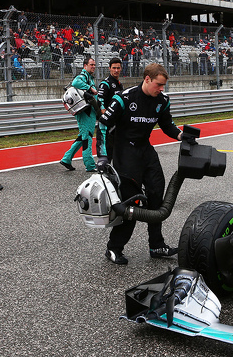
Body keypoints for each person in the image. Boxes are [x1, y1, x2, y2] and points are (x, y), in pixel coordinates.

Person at [98, 63, 183, 265]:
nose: (161, 89)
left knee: (157, 197)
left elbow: (167, 125)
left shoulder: (162, 101)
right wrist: (102, 157)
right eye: (159, 85)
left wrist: (181, 135)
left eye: (163, 85)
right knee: (132, 203)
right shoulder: (124, 98)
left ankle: (156, 245)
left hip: (146, 151)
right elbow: (103, 123)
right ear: (147, 79)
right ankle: (114, 248)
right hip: (125, 153)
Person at [60, 57, 98, 172]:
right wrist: (90, 88)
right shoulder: (83, 76)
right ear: (85, 66)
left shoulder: (88, 77)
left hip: (87, 111)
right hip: (85, 112)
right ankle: (90, 164)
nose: (93, 67)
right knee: (87, 137)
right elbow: (76, 82)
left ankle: (66, 159)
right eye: (91, 64)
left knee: (83, 136)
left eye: (94, 65)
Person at [95, 57, 123, 163]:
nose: (116, 70)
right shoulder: (105, 83)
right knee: (106, 153)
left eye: (118, 68)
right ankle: (104, 173)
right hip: (107, 124)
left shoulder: (119, 84)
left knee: (118, 151)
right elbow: (100, 100)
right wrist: (106, 114)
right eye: (114, 68)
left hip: (117, 124)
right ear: (109, 68)